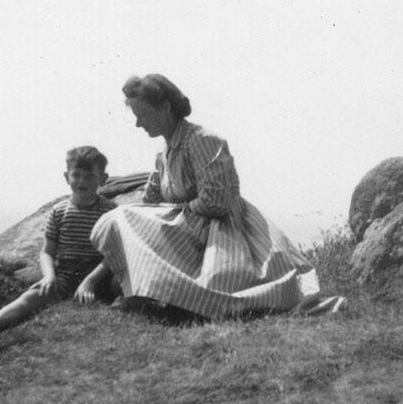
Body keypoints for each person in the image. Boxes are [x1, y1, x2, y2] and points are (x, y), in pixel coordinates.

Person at [81, 74, 336, 320]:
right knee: (123, 217)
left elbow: (216, 203)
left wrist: (175, 210)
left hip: (222, 230)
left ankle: (158, 297)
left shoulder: (202, 140)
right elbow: (148, 204)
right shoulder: (163, 154)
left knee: (125, 217)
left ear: (165, 107)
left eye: (143, 115)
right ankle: (142, 292)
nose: (139, 124)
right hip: (190, 228)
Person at [0, 146, 119, 344]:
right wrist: (49, 276)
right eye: (76, 175)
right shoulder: (58, 211)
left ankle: (132, 304)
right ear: (67, 177)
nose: (82, 181)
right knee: (33, 296)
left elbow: (112, 254)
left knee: (120, 284)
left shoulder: (111, 211)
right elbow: (47, 253)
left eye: (89, 176)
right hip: (67, 274)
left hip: (99, 274)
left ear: (103, 178)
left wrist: (90, 282)